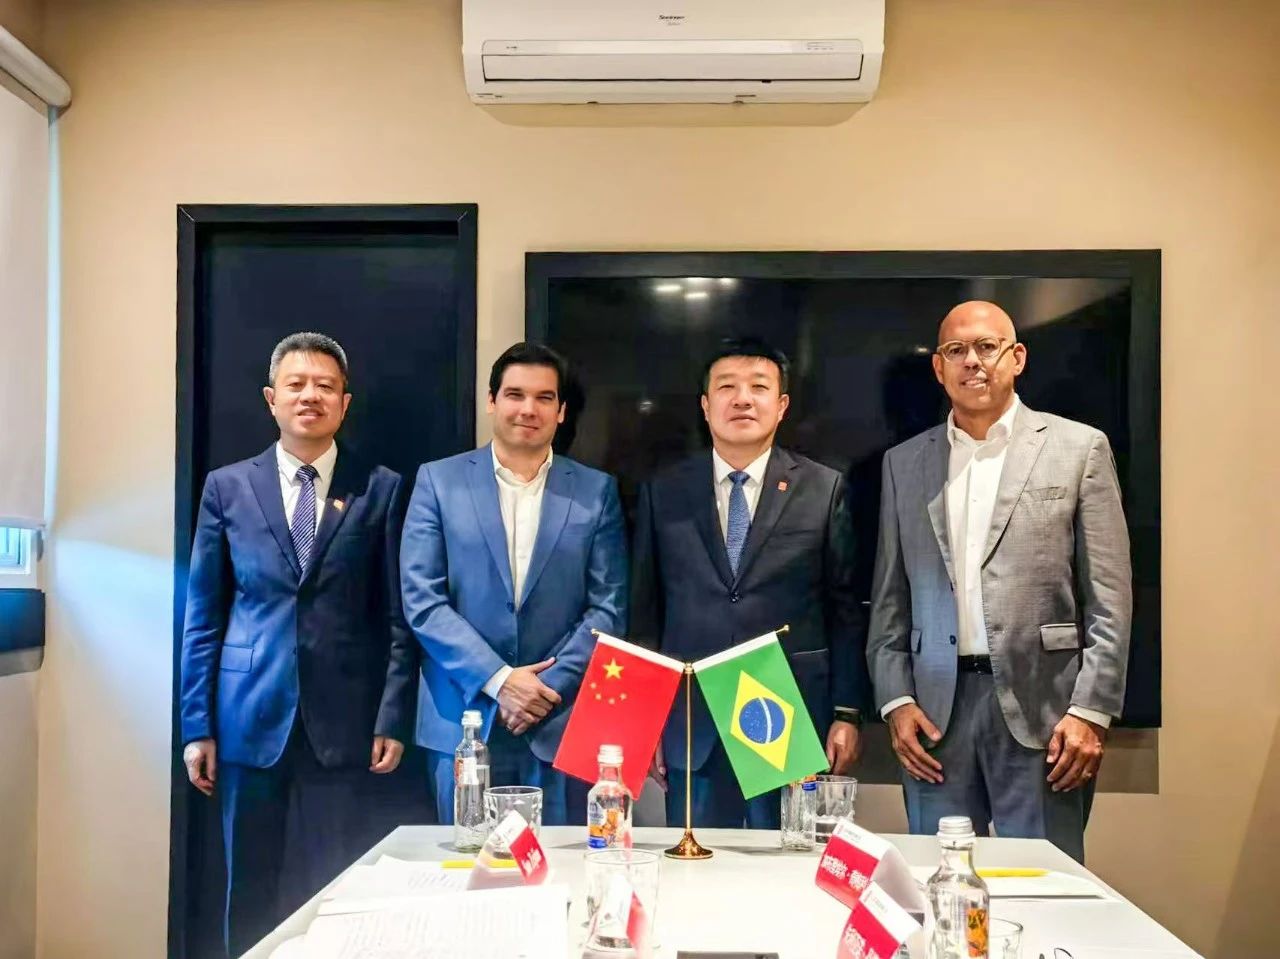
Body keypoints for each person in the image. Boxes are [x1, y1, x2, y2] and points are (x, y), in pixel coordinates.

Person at [867, 300, 1132, 862]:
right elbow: (890, 598)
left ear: (1017, 357)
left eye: (987, 347)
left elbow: (1110, 600)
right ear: (938, 367)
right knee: (938, 880)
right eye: (956, 350)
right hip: (934, 717)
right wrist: (895, 700)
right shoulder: (903, 463)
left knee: (1045, 886)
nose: (973, 361)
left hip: (1047, 712)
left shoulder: (1079, 448)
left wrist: (1091, 711)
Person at [180, 332, 417, 956]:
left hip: (344, 723)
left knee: (337, 886)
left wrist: (392, 715)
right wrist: (196, 726)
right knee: (248, 889)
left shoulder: (381, 488)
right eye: (296, 384)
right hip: (246, 718)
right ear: (272, 398)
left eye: (325, 386)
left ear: (345, 402)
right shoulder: (227, 487)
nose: (310, 395)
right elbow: (203, 615)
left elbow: (398, 617)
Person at [631, 336, 869, 828]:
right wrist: (644, 718)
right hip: (693, 718)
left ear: (781, 406)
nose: (742, 399)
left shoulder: (823, 488)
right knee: (696, 864)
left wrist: (847, 712)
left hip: (787, 715)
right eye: (727, 387)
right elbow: (645, 611)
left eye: (758, 387)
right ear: (705, 405)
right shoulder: (664, 491)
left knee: (787, 861)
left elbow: (844, 609)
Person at [400, 342, 627, 824]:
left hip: (559, 718)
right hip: (463, 718)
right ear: (491, 401)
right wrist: (501, 681)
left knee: (562, 863)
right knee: (467, 861)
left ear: (561, 411)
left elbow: (608, 607)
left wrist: (543, 688)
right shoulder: (438, 482)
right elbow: (423, 601)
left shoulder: (596, 490)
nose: (528, 409)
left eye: (545, 398)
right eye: (515, 394)